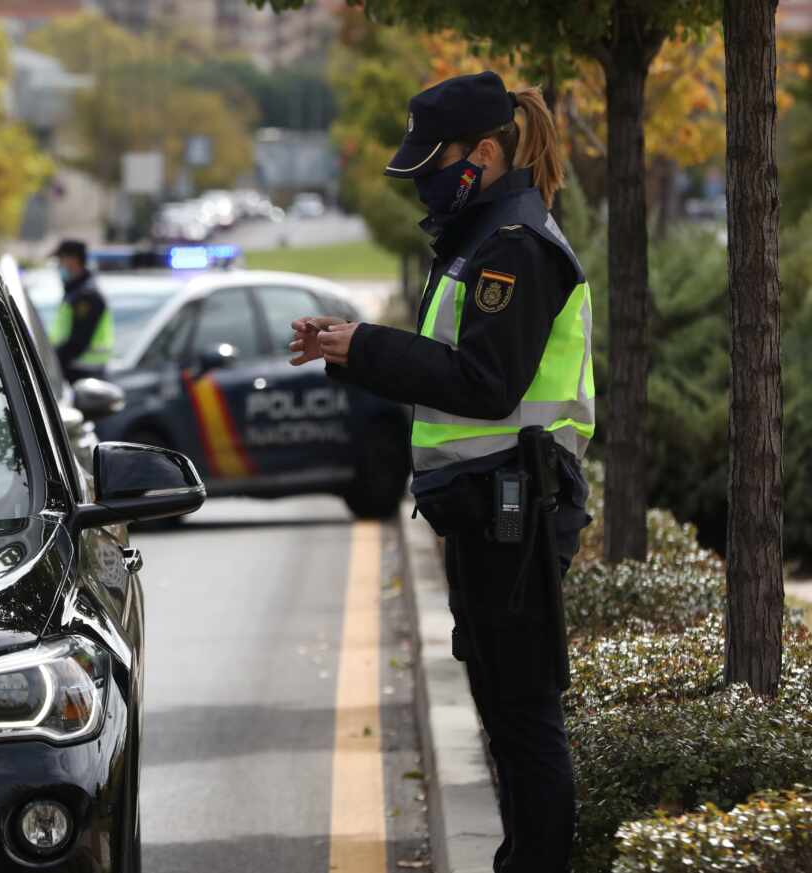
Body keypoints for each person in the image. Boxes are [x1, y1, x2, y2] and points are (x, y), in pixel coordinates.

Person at [289, 71, 593, 873]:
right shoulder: (483, 241)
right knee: (506, 715)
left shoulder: (517, 248)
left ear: (485, 153)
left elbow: (486, 382)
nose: (424, 179)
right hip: (490, 512)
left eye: (435, 161)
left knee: (526, 721)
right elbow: (455, 370)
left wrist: (369, 347)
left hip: (519, 512)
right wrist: (355, 345)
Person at [48, 239, 114, 381]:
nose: (58, 266)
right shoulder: (75, 292)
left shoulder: (86, 296)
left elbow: (77, 342)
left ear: (73, 260)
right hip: (75, 372)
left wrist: (50, 363)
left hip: (84, 375)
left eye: (60, 260)